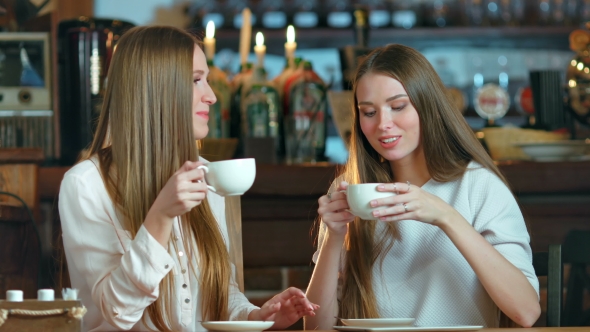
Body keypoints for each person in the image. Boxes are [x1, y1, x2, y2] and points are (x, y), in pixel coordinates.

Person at [58, 26, 318, 332]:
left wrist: (256, 316)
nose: (211, 96)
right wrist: (161, 216)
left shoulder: (208, 177)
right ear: (155, 88)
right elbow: (117, 312)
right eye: (196, 81)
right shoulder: (86, 185)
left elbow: (219, 296)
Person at [304, 44, 540, 329]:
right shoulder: (350, 191)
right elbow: (316, 328)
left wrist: (445, 216)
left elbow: (526, 312)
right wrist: (333, 237)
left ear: (427, 105)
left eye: (398, 106)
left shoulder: (478, 186)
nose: (383, 124)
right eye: (369, 112)